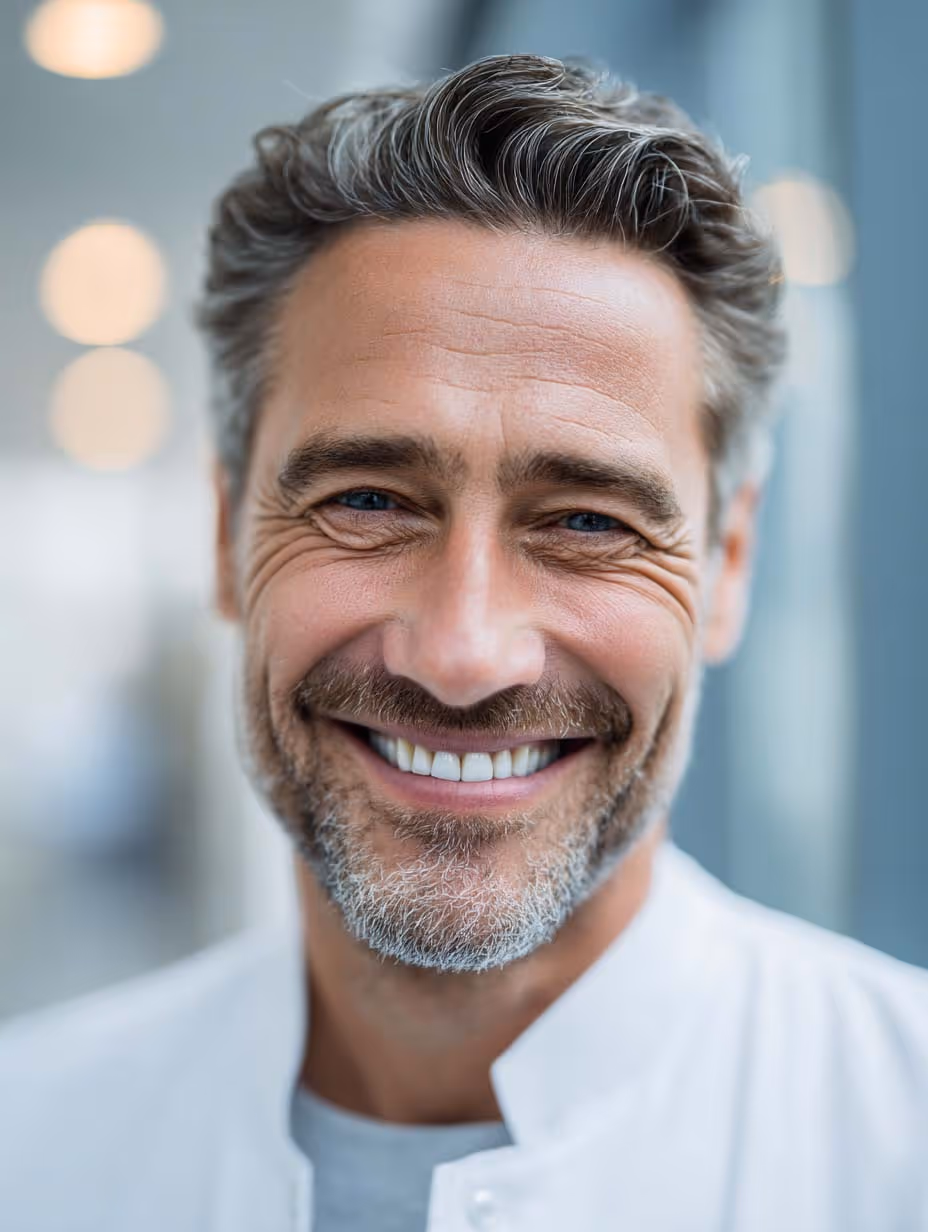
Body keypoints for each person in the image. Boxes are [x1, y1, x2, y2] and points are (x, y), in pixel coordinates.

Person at [2, 51, 926, 1232]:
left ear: (726, 565)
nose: (463, 649)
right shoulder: (26, 1145)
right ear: (228, 528)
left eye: (588, 522)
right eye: (369, 499)